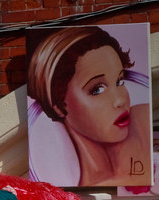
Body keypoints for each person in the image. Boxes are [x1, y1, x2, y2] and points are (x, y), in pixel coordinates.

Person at [28, 26, 151, 187]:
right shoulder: (59, 182)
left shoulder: (143, 119)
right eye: (97, 90)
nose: (120, 100)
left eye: (119, 81)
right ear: (58, 106)